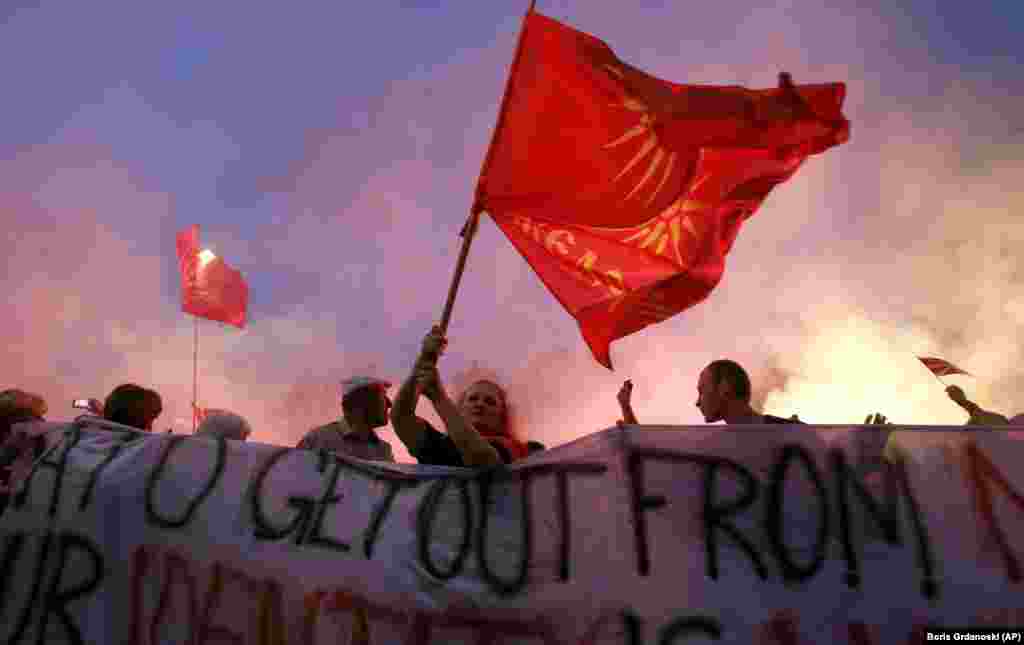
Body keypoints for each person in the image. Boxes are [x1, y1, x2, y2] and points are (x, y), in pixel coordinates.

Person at [391, 326, 529, 467]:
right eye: (472, 398)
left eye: (490, 401)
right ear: (460, 408)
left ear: (503, 415)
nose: (480, 404)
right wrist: (424, 357)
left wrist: (439, 398)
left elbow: (484, 460)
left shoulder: (515, 448)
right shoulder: (441, 444)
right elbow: (401, 418)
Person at [617, 360, 803, 425]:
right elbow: (653, 465)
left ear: (724, 387)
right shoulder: (716, 449)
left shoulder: (790, 434)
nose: (697, 402)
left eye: (701, 391)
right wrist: (626, 408)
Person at [296, 376, 395, 462]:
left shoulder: (384, 450)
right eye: (382, 396)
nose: (389, 404)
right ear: (360, 403)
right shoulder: (317, 440)